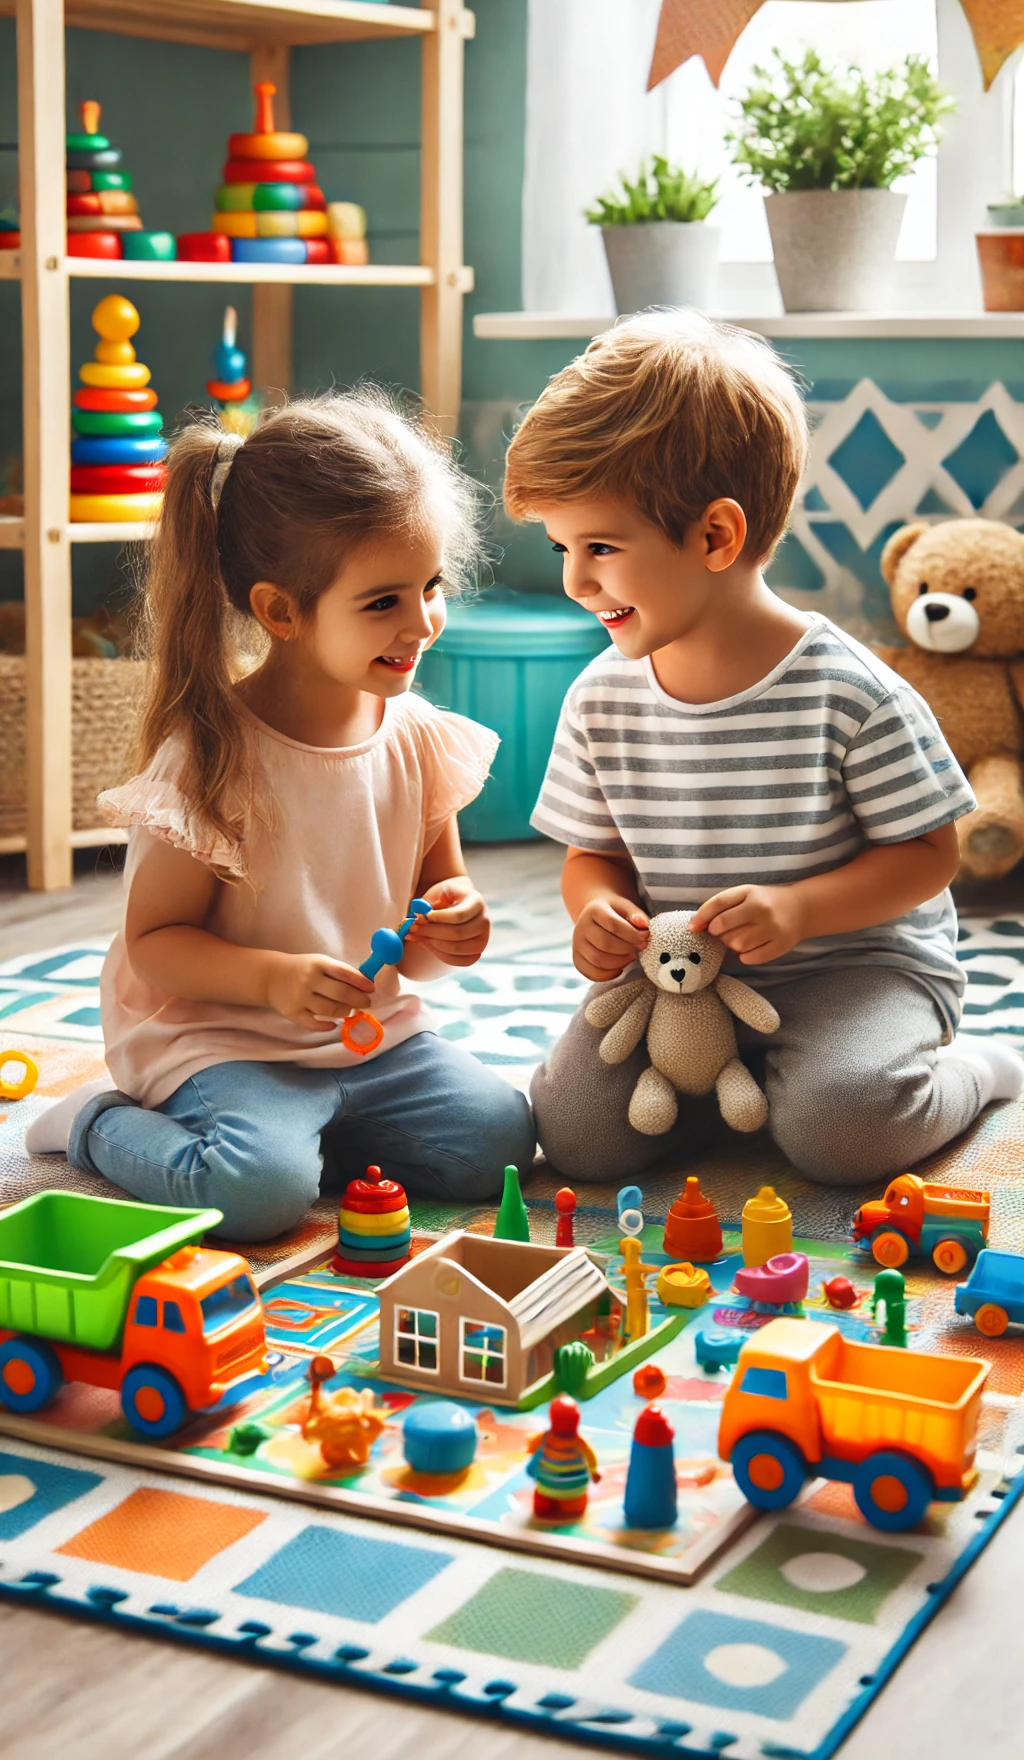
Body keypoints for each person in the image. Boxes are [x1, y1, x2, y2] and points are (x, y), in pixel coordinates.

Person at [503, 310, 1023, 1187]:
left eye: (599, 547)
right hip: (679, 982)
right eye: (561, 547)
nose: (575, 580)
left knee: (842, 1133)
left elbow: (931, 856)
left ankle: (983, 1070)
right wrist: (594, 909)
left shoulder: (851, 692)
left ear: (715, 537)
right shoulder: (601, 696)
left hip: (853, 967)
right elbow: (592, 854)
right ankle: (728, 1087)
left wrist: (801, 911)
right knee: (578, 1137)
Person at [29, 392, 534, 1240]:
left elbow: (432, 906)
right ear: (280, 612)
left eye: (431, 587)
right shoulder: (212, 757)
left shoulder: (417, 738)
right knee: (256, 1195)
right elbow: (154, 945)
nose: (423, 623)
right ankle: (90, 1123)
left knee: (501, 1143)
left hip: (368, 1043)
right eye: (383, 603)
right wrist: (270, 980)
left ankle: (313, 1135)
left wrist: (456, 929)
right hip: (227, 1043)